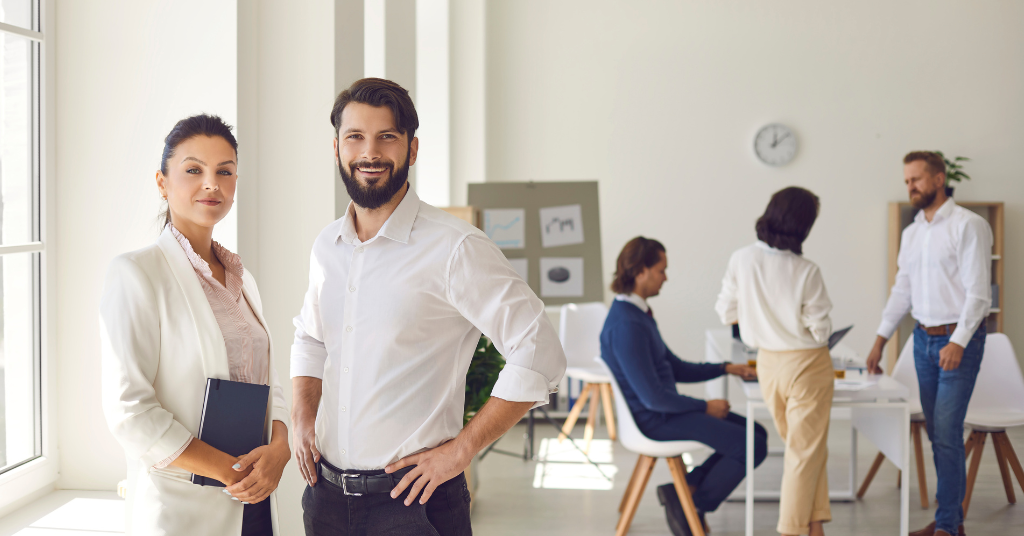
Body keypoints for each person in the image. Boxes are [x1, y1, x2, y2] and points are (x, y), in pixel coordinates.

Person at [289, 78, 567, 536]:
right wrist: (302, 417)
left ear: (412, 150)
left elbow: (540, 350)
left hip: (413, 506)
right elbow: (311, 336)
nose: (370, 152)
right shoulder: (327, 246)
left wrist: (463, 449)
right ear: (336, 147)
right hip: (326, 500)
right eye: (355, 137)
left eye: (387, 137)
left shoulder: (455, 247)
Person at [100, 115, 291, 536]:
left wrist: (281, 446)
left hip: (254, 501)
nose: (212, 184)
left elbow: (268, 382)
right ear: (162, 182)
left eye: (225, 171)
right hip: (184, 507)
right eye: (193, 170)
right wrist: (229, 469)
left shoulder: (242, 278)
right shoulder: (136, 273)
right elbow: (129, 411)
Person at [601, 236, 767, 536]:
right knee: (750, 445)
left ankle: (688, 488)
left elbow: (673, 367)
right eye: (661, 270)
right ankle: (691, 502)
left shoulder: (637, 315)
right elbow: (652, 398)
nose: (666, 277)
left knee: (757, 433)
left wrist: (725, 368)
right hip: (655, 421)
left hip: (665, 411)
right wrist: (706, 406)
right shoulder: (627, 325)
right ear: (641, 271)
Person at [865, 151, 992, 536]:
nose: (910, 187)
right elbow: (902, 290)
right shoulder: (913, 231)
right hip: (922, 341)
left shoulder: (968, 225)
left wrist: (958, 342)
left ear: (939, 179)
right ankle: (949, 519)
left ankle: (948, 526)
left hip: (958, 343)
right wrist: (880, 340)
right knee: (939, 436)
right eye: (906, 181)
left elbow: (979, 294)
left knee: (948, 434)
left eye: (916, 179)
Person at [715, 187, 834, 536]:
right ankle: (791, 530)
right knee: (804, 453)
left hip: (767, 365)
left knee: (805, 451)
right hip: (807, 365)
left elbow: (726, 311)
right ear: (803, 226)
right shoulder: (806, 270)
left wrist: (761, 319)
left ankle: (815, 525)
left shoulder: (741, 259)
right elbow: (820, 330)